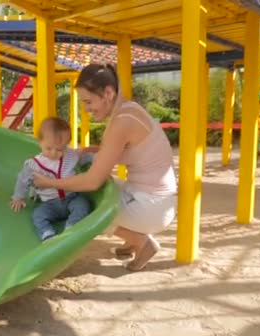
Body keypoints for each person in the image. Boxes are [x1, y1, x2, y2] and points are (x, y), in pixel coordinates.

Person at [33, 64, 177, 271]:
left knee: (91, 205)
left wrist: (49, 182)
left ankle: (142, 242)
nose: (86, 108)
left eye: (88, 101)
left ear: (108, 93)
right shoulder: (129, 110)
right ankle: (132, 242)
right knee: (103, 186)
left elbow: (92, 181)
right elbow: (126, 151)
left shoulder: (122, 121)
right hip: (153, 196)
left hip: (153, 206)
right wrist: (92, 150)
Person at [10, 117, 94, 241]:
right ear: (40, 142)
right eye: (48, 148)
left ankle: (71, 228)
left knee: (83, 205)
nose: (54, 153)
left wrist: (96, 157)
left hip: (71, 197)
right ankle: (48, 234)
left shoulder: (70, 155)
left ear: (66, 146)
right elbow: (23, 180)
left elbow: (83, 158)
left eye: (60, 149)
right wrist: (18, 197)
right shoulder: (34, 164)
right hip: (50, 203)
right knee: (37, 215)